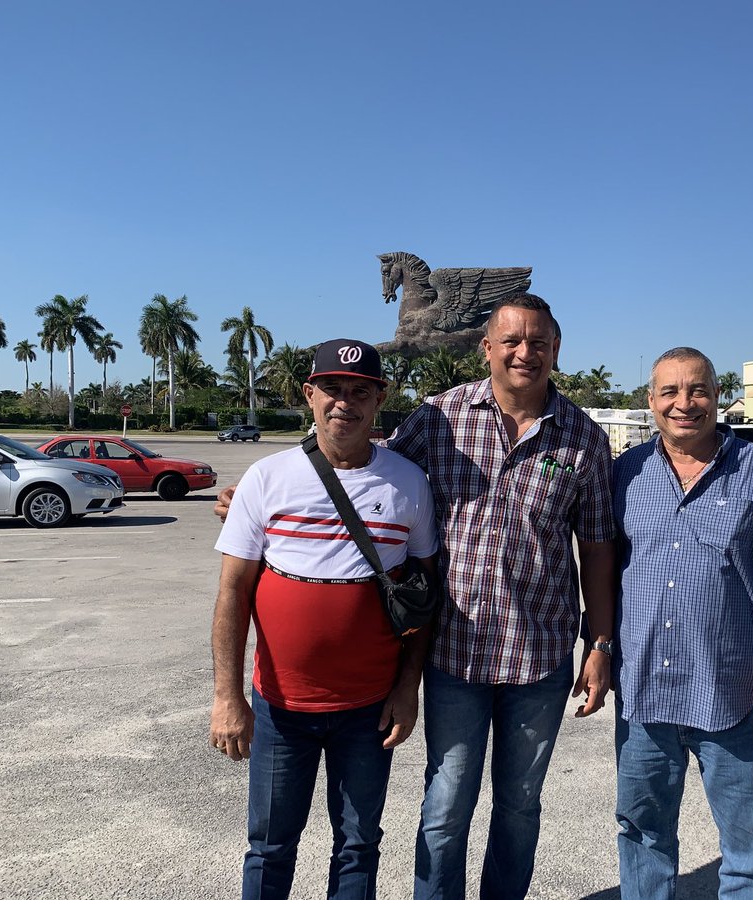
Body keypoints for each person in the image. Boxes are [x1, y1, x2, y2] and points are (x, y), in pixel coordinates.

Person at [215, 295, 616, 900]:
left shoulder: (583, 439)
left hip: (540, 655)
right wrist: (261, 489)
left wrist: (600, 640)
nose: (524, 352)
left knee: (519, 806)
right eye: (511, 340)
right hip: (455, 654)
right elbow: (357, 470)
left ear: (556, 350)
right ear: (487, 349)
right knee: (447, 804)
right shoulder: (440, 418)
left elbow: (598, 547)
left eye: (538, 342)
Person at [209, 338, 439, 900]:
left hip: (367, 708)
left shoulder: (408, 482)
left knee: (358, 845)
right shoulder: (267, 478)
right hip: (281, 705)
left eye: (360, 391)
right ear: (309, 394)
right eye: (332, 389)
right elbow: (233, 593)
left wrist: (409, 687)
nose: (345, 402)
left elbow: (424, 596)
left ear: (379, 400)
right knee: (269, 845)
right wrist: (227, 695)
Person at [611, 347, 753, 899]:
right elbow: (603, 572)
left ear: (717, 396)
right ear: (651, 401)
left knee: (749, 849)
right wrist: (598, 649)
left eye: (698, 390)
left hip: (731, 689)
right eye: (670, 392)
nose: (685, 404)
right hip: (643, 691)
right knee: (642, 833)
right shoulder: (624, 476)